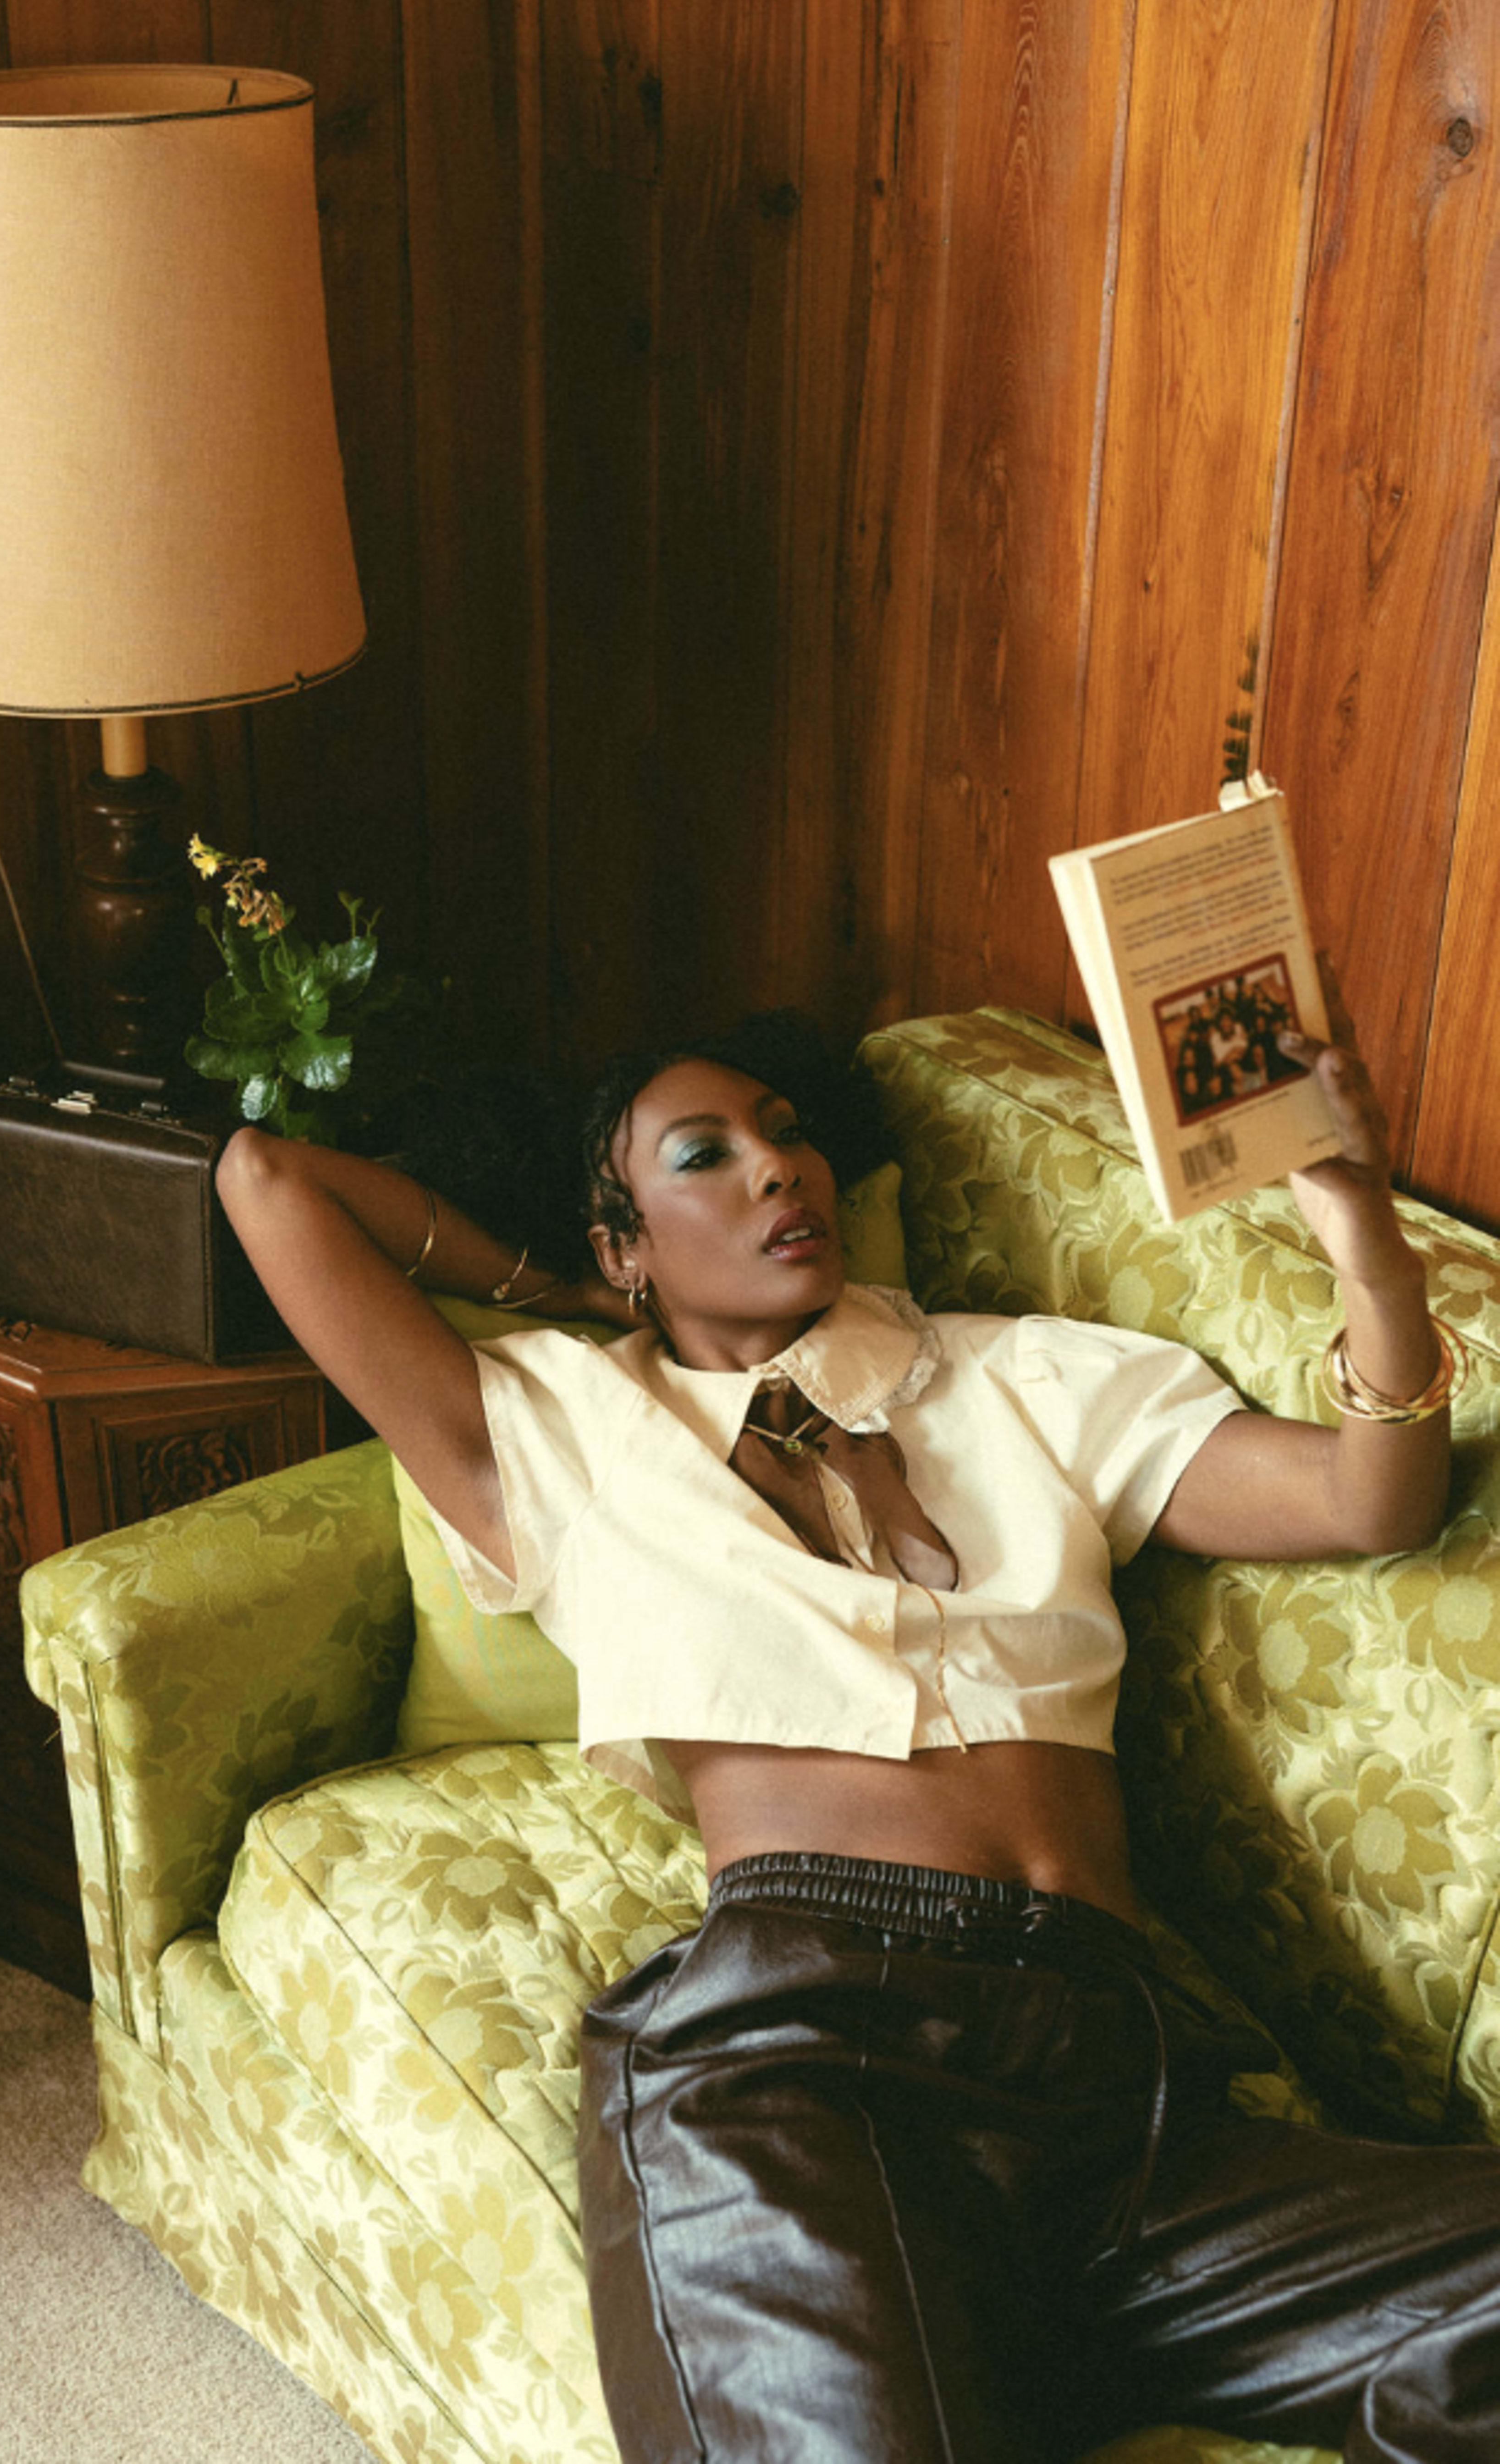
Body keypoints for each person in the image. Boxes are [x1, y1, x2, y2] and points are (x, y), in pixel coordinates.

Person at [216, 1006, 1499, 2464]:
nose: (778, 1171)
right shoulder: (552, 1428)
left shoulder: (1018, 1374)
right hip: (801, 2057)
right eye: (708, 1155)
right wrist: (566, 1291)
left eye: (790, 1131)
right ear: (622, 1236)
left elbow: (1367, 1501)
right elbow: (270, 1180)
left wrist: (1358, 1226)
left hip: (1118, 2091)